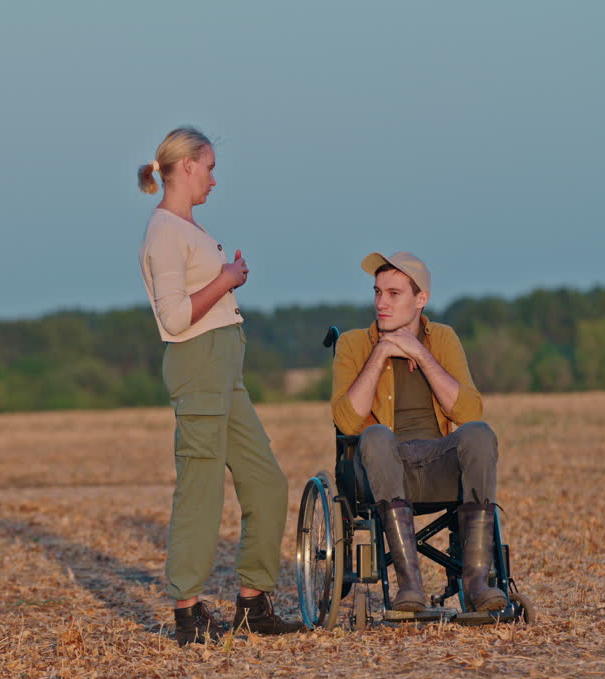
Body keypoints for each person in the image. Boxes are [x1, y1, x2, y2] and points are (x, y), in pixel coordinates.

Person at [137, 127, 304, 645]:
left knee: (267, 483)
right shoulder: (165, 231)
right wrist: (228, 278)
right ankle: (188, 614)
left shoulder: (188, 228)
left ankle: (253, 605)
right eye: (208, 167)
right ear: (186, 165)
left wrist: (227, 275)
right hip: (199, 365)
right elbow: (176, 316)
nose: (213, 177)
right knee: (201, 491)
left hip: (225, 372)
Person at [330, 251, 507, 613]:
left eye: (394, 294)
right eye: (377, 292)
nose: (381, 302)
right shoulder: (353, 344)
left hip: (438, 463)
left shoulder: (442, 337)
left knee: (478, 432)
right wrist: (380, 353)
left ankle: (476, 582)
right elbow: (347, 423)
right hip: (383, 469)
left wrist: (421, 354)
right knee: (375, 434)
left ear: (420, 300)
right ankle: (409, 587)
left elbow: (469, 410)